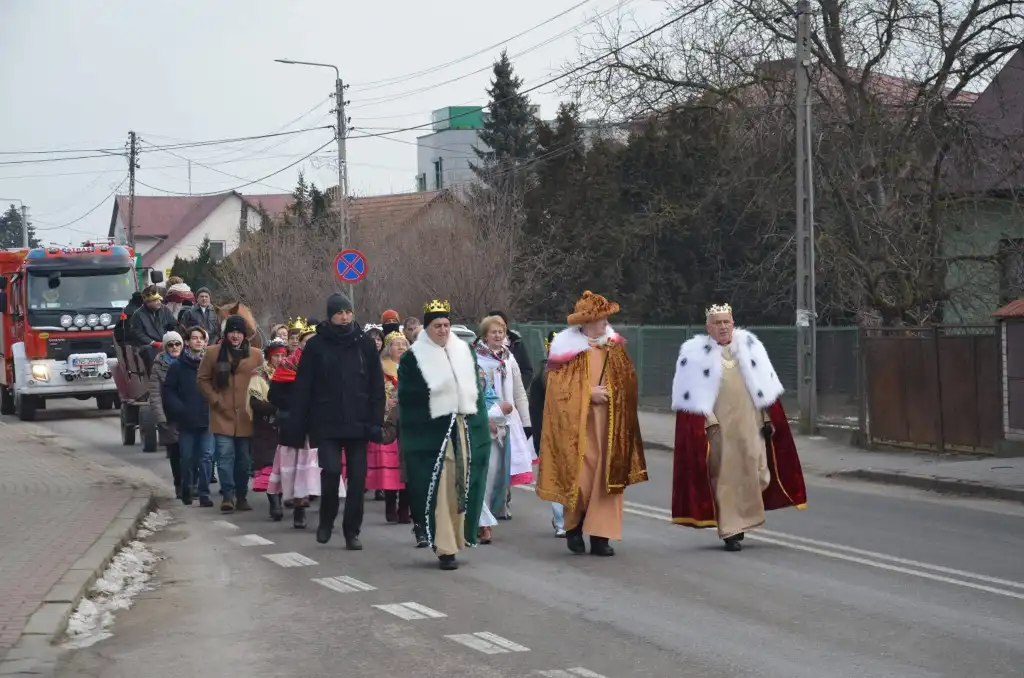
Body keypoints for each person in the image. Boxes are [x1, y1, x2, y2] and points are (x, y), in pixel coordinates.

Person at [670, 303, 808, 551]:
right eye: (717, 323)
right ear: (708, 327)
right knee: (726, 479)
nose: (723, 327)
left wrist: (767, 418)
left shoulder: (751, 349)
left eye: (726, 322)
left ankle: (743, 522)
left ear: (733, 324)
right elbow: (692, 398)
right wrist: (709, 423)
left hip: (751, 424)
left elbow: (763, 388)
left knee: (759, 473)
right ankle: (731, 531)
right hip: (720, 428)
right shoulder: (693, 356)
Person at [536, 291, 648, 557]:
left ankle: (601, 536)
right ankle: (574, 526)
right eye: (599, 318)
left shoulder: (615, 347)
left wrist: (617, 392)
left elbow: (630, 383)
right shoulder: (566, 352)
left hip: (609, 425)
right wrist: (588, 394)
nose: (604, 323)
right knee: (581, 479)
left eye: (605, 318)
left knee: (606, 479)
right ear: (586, 322)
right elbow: (556, 391)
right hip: (578, 427)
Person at [284, 293, 384, 550]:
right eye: (339, 312)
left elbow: (376, 387)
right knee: (331, 473)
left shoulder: (364, 344)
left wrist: (375, 422)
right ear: (330, 315)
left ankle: (352, 531)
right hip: (326, 422)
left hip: (358, 422)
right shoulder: (317, 346)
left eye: (348, 312)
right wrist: (298, 425)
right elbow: (303, 387)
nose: (345, 316)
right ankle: (326, 520)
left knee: (357, 480)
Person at [398, 299, 490, 571]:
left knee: (460, 488)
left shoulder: (464, 353)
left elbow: (476, 394)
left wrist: (480, 427)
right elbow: (408, 398)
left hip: (461, 432)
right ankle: (444, 547)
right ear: (427, 329)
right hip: (432, 437)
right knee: (441, 490)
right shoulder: (413, 358)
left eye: (446, 325)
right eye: (437, 326)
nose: (443, 330)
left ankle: (456, 538)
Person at [474, 315, 532, 543]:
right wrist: (488, 416)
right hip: (488, 422)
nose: (498, 336)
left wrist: (526, 424)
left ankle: (491, 513)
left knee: (501, 474)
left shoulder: (509, 358)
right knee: (487, 473)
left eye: (501, 332)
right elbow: (479, 393)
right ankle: (482, 523)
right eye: (493, 332)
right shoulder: (477, 359)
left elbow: (518, 392)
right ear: (485, 335)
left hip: (509, 422)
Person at [197, 314, 263, 513]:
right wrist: (215, 400)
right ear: (226, 334)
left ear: (245, 335)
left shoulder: (256, 355)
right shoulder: (213, 353)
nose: (235, 336)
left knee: (243, 460)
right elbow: (202, 379)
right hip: (222, 413)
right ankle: (227, 495)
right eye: (232, 332)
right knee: (224, 457)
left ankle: (241, 495)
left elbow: (263, 380)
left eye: (239, 332)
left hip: (246, 414)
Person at [268, 322, 322, 528]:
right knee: (296, 469)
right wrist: (296, 403)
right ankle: (298, 507)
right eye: (306, 342)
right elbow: (273, 395)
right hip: (293, 424)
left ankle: (319, 507)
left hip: (317, 424)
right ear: (299, 345)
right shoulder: (287, 365)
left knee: (316, 468)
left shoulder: (324, 365)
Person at [163, 326, 214, 507]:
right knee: (187, 457)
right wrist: (180, 409)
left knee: (206, 457)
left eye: (201, 338)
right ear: (187, 342)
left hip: (207, 418)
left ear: (205, 342)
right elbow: (168, 391)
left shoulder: (210, 365)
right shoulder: (178, 366)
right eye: (194, 338)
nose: (198, 341)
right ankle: (187, 488)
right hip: (186, 421)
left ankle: (204, 493)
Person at [367, 331, 411, 524]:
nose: (401, 347)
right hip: (389, 422)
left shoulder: (414, 368)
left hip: (409, 422)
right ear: (388, 348)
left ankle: (405, 508)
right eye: (396, 344)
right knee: (392, 469)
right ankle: (391, 505)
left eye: (404, 344)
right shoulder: (380, 368)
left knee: (408, 467)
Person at [530, 330, 566, 537]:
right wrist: (539, 439)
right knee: (556, 478)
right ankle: (561, 521)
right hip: (550, 435)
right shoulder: (541, 378)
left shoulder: (577, 374)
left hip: (572, 434)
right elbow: (536, 412)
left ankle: (571, 519)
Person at [249, 339, 289, 515]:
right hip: (266, 426)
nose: (280, 359)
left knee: (283, 466)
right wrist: (278, 406)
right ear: (269, 357)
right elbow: (255, 403)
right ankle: (274, 503)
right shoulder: (259, 375)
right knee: (269, 465)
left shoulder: (291, 373)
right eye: (276, 356)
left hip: (286, 426)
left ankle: (283, 497)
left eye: (283, 355)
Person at [148, 331, 184, 497]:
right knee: (175, 452)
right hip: (169, 415)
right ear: (165, 347)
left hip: (188, 414)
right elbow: (154, 394)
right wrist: (160, 417)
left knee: (191, 452)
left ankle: (192, 483)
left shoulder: (188, 361)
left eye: (177, 344)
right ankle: (179, 483)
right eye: (171, 344)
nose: (174, 347)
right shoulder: (158, 366)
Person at [129, 286, 177, 368]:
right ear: (147, 302)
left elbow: (174, 325)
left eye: (159, 299)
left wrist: (172, 339)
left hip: (166, 342)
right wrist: (153, 343)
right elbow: (137, 333)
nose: (159, 302)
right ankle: (154, 375)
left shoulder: (165, 309)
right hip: (147, 345)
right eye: (155, 300)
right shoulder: (138, 314)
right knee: (150, 351)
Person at [486, 310, 534, 389]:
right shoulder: (479, 349)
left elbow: (527, 371)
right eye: (493, 330)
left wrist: (516, 388)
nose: (497, 335)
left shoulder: (516, 344)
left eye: (500, 329)